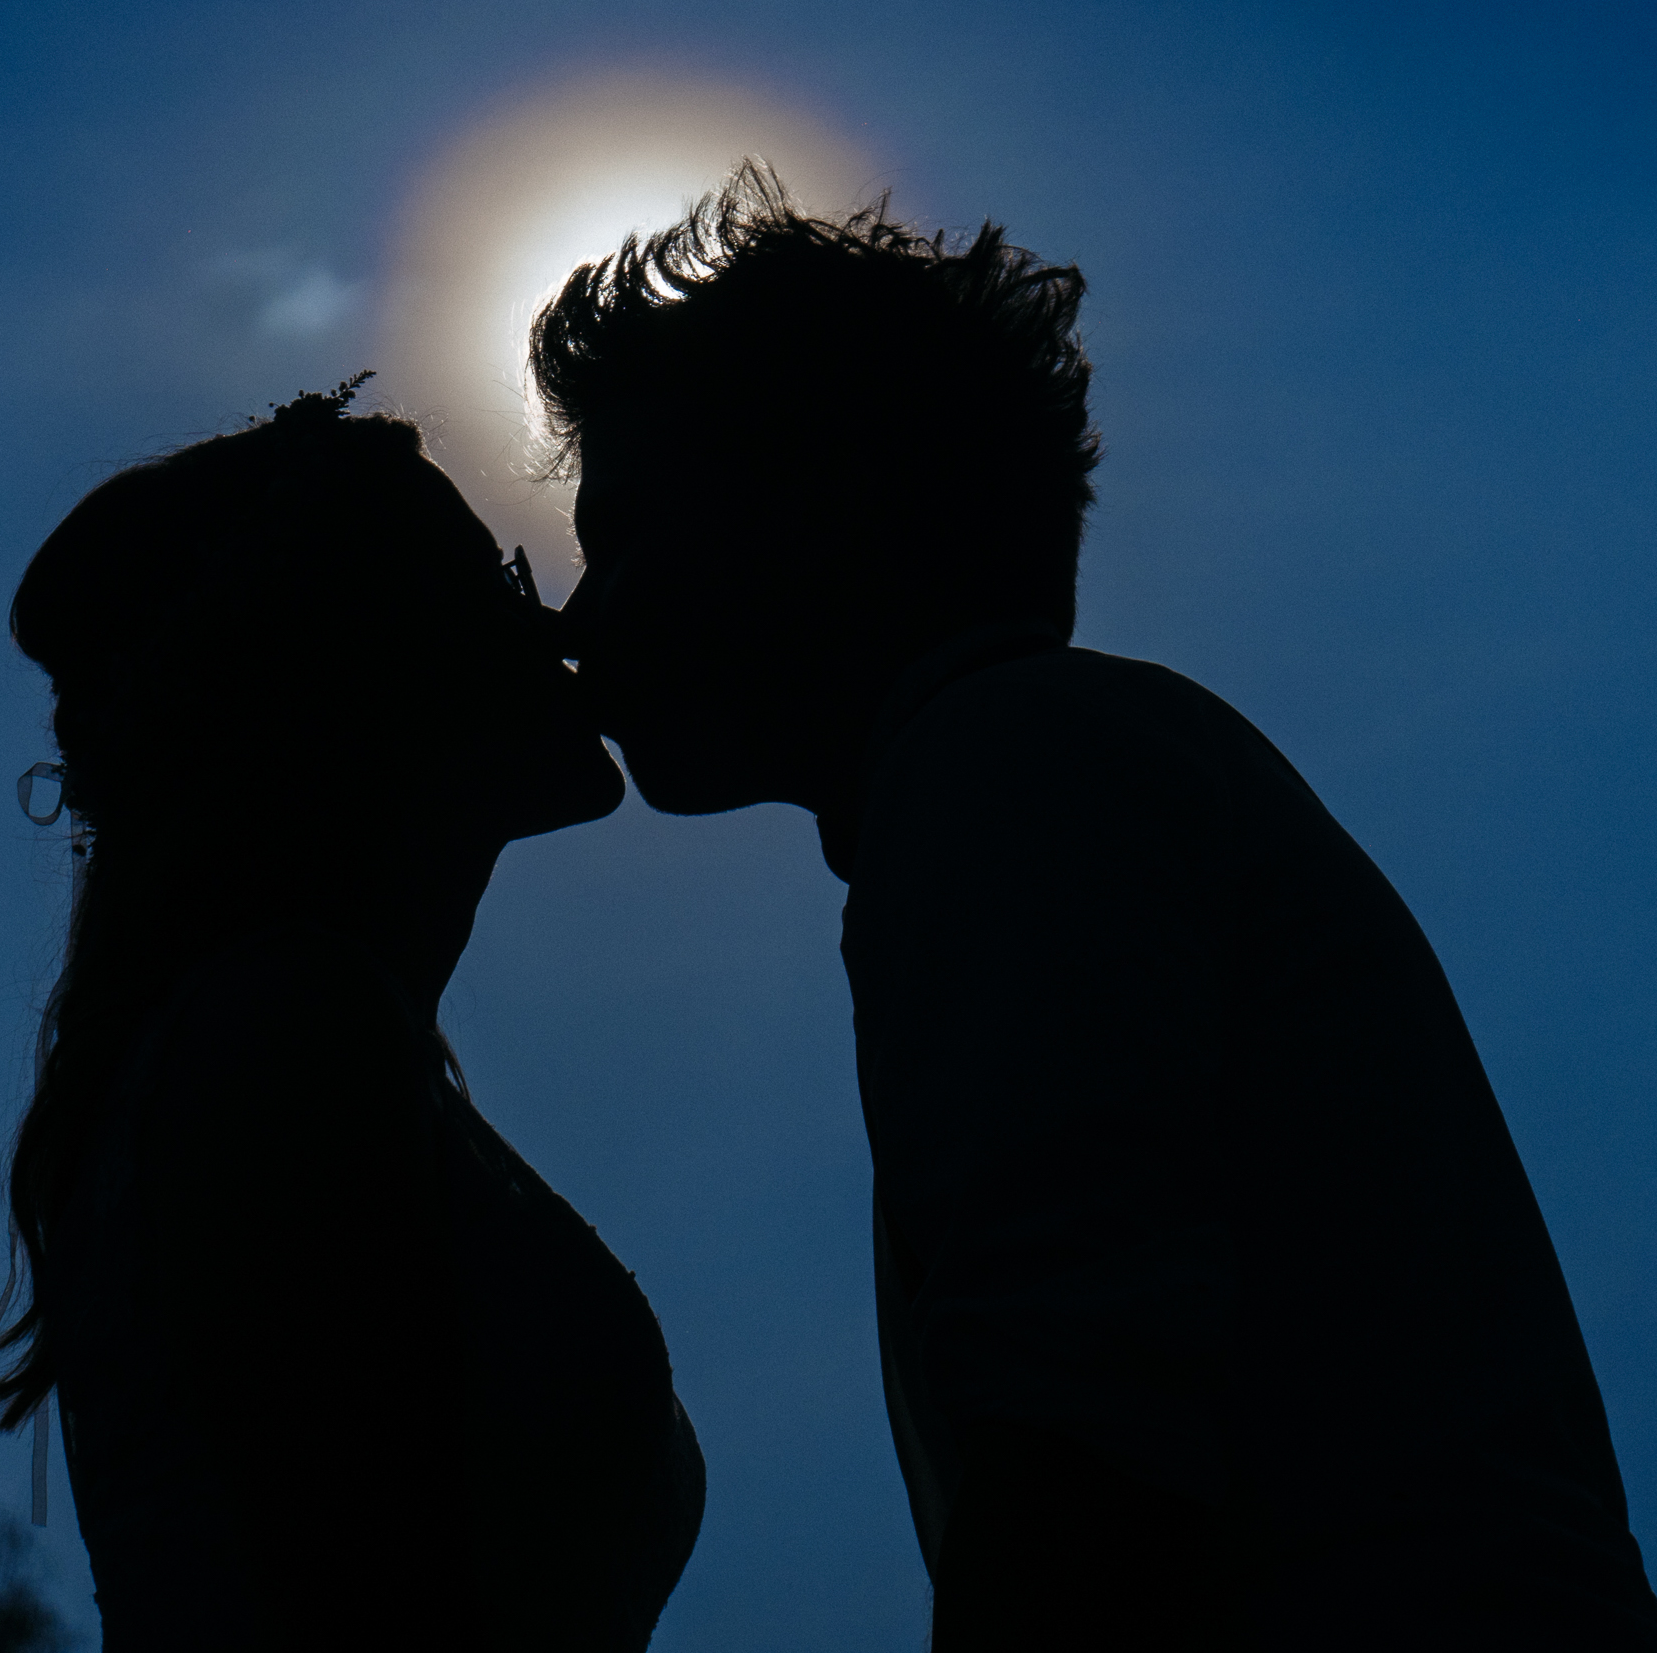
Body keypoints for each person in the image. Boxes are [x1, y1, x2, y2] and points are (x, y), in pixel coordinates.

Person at [529, 166, 1657, 1649]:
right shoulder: (1045, 771)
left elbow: (1087, 1468)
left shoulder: (1008, 773)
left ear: (824, 517)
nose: (576, 619)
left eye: (627, 544)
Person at [0, 377, 704, 1651]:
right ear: (371, 669)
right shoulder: (281, 1041)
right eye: (495, 583)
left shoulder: (286, 1037)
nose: (559, 632)